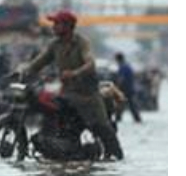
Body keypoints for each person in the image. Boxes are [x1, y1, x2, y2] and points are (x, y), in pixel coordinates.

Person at [16, 10, 123, 160]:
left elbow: (90, 63)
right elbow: (39, 62)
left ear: (68, 26)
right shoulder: (54, 45)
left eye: (57, 24)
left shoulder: (81, 43)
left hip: (87, 95)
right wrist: (24, 71)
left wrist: (75, 73)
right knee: (50, 108)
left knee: (101, 127)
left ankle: (117, 154)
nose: (53, 27)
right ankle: (55, 140)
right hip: (67, 93)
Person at [113, 52, 142, 124]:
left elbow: (121, 79)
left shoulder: (122, 67)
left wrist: (116, 88)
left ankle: (118, 119)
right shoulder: (127, 66)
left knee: (120, 105)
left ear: (117, 59)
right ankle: (137, 119)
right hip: (130, 89)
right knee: (132, 106)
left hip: (125, 90)